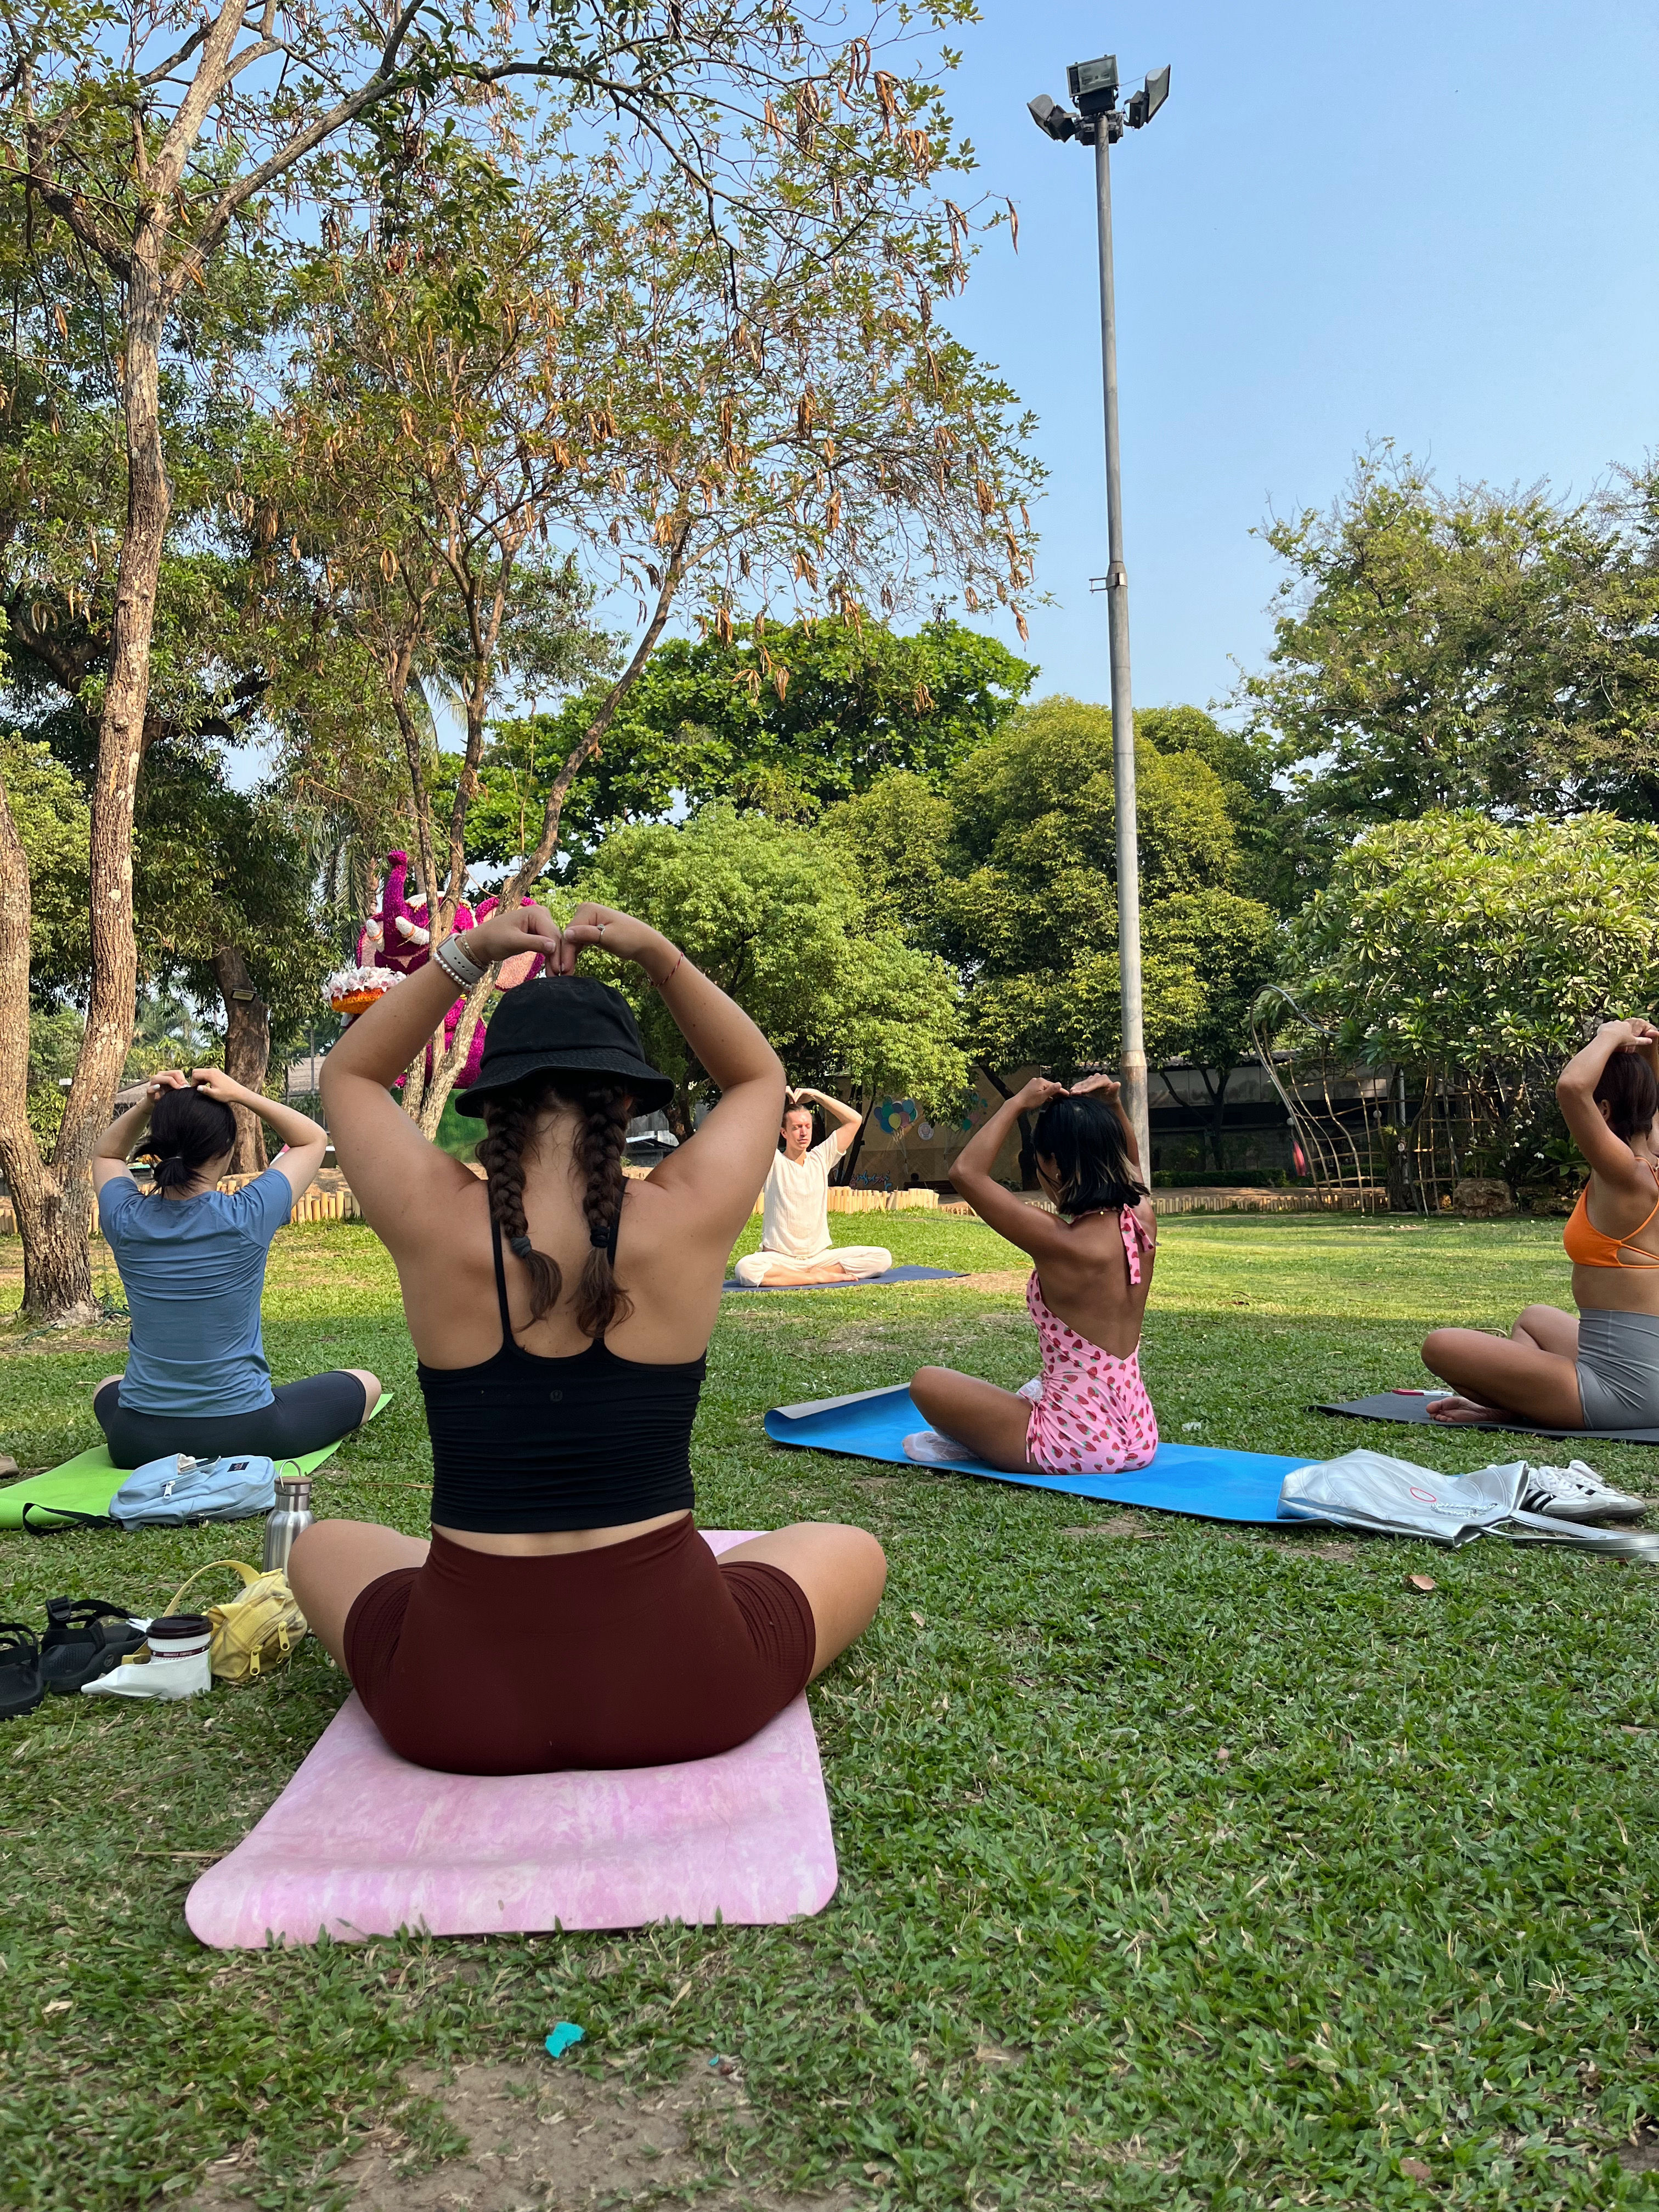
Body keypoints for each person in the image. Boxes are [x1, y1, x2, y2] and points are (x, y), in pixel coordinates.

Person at [287, 902, 887, 1777]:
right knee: (850, 1546)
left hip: (451, 1707)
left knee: (322, 1545)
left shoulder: (435, 1220)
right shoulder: (683, 1217)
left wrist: (471, 952)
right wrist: (655, 955)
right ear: (627, 1095)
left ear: (493, 1101)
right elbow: (759, 1078)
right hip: (687, 1689)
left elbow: (351, 1076)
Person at [91, 1070, 381, 1469]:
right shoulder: (247, 1215)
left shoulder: (125, 1218)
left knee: (107, 1388)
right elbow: (311, 1138)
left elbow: (106, 1155)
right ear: (226, 1150)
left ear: (156, 1149)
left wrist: (146, 1105)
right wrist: (243, 1095)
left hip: (137, 1440)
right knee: (367, 1383)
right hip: (248, 1431)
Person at [1421, 1020, 1659, 1468]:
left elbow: (1572, 1088)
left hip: (1622, 1394)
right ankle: (1516, 1403)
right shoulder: (1652, 1162)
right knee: (1534, 1319)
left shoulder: (1625, 1176)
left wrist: (1609, 1035)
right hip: (1649, 1376)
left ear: (1603, 1112)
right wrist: (1648, 1053)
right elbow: (1648, 1104)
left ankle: (1530, 1402)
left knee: (1441, 1345)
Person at [905, 1073, 1159, 1475]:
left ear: (1052, 1163)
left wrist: (1017, 1103)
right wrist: (1113, 1105)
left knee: (926, 1382)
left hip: (1074, 1443)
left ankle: (980, 1446)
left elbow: (966, 1174)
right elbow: (1131, 1167)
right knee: (1034, 1388)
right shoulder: (1141, 1217)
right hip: (1139, 1435)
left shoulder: (1062, 1242)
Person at [732, 1088, 892, 1287]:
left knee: (882, 1257)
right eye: (797, 1127)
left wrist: (816, 1095)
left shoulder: (821, 1158)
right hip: (781, 1258)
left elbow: (854, 1121)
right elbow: (746, 1126)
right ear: (784, 1132)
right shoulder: (772, 1161)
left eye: (807, 1126)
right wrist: (772, 1096)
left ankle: (816, 1273)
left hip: (819, 1258)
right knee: (746, 1269)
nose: (804, 1132)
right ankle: (817, 1277)